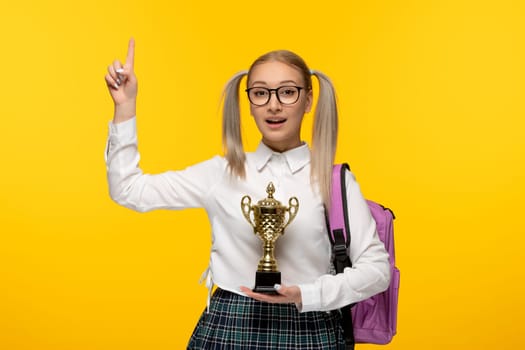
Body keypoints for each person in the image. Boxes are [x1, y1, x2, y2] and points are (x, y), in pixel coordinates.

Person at [104, 39, 390, 349]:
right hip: (231, 324)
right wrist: (125, 107)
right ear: (250, 102)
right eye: (260, 93)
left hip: (311, 324)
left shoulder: (335, 180)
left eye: (288, 91)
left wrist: (307, 294)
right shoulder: (222, 172)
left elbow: (377, 271)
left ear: (308, 101)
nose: (274, 104)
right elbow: (128, 190)